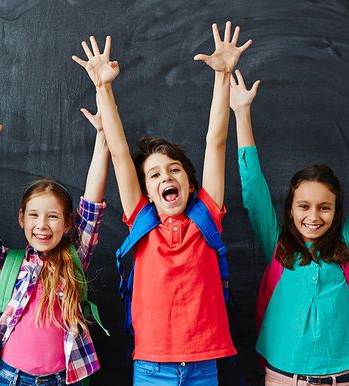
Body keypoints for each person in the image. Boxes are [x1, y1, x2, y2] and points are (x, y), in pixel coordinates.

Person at [71, 22, 251, 385]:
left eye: (174, 170)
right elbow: (121, 155)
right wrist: (103, 87)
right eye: (154, 175)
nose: (166, 177)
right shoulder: (141, 219)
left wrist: (223, 77)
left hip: (203, 368)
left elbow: (216, 142)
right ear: (148, 192)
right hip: (152, 369)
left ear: (189, 182)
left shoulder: (206, 216)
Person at [231, 65, 349, 385]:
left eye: (324, 207)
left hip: (339, 379)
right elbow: (253, 186)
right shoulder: (277, 246)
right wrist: (242, 112)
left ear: (336, 211)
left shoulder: (346, 248)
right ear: (289, 211)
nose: (313, 216)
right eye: (304, 206)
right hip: (283, 378)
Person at [0, 93, 110, 385]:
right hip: (11, 378)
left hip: (61, 379)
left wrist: (104, 138)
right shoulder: (6, 265)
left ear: (68, 223)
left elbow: (92, 208)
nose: (42, 225)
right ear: (21, 218)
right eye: (34, 216)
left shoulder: (75, 259)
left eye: (53, 216)